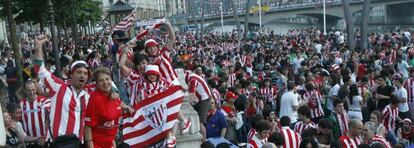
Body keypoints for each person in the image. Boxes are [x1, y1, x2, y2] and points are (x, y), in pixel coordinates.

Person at [34, 34, 91, 142]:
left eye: (85, 73)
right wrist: (38, 47)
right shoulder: (59, 87)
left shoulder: (88, 95)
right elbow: (40, 70)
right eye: (79, 72)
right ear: (71, 74)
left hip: (78, 143)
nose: (82, 75)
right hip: (59, 142)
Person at [84, 67, 133, 148]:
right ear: (96, 84)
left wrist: (127, 107)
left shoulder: (114, 95)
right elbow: (88, 126)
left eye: (107, 79)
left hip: (110, 142)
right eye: (101, 80)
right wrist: (90, 146)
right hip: (97, 144)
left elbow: (117, 103)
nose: (105, 82)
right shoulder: (95, 99)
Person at [19, 80, 48, 148]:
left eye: (33, 90)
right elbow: (20, 123)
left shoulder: (43, 100)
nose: (31, 92)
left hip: (44, 141)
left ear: (36, 89)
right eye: (29, 90)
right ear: (25, 91)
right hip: (30, 143)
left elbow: (49, 120)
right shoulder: (21, 104)